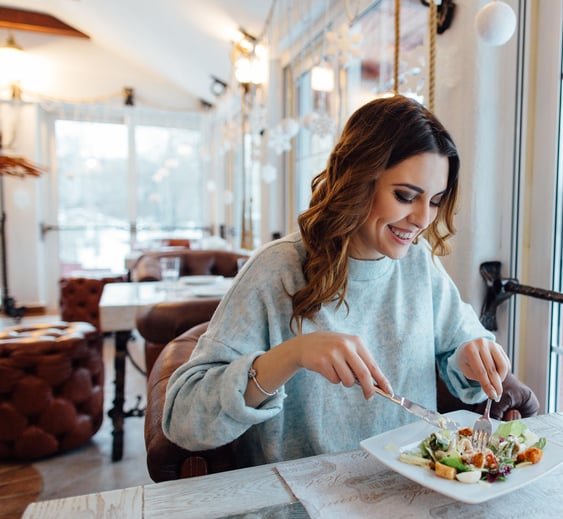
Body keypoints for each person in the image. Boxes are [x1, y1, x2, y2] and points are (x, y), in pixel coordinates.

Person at [162, 94, 511, 466]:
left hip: (410, 490)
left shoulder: (418, 262)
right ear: (358, 180)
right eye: (406, 196)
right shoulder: (277, 269)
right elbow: (183, 420)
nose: (424, 219)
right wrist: (291, 355)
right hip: (301, 506)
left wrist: (472, 356)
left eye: (436, 200)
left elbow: (462, 355)